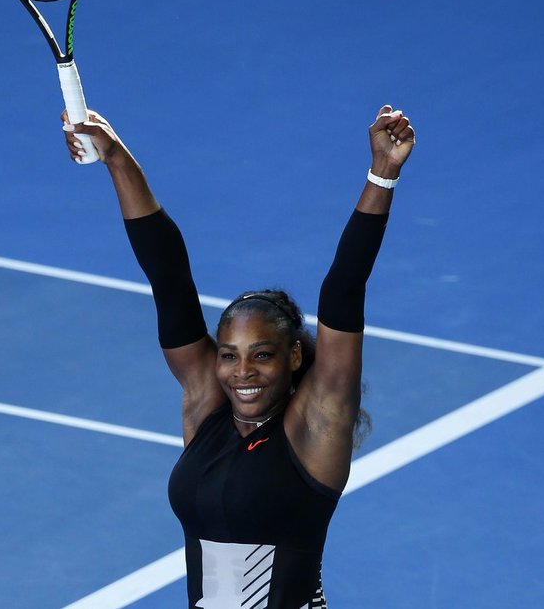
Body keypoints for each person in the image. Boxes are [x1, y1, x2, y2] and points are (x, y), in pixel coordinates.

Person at [62, 105, 415, 608]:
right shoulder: (207, 405)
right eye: (229, 355)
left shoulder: (315, 426)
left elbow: (344, 288)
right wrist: (118, 160)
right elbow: (169, 276)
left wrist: (381, 175)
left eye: (262, 355)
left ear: (294, 357)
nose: (242, 373)